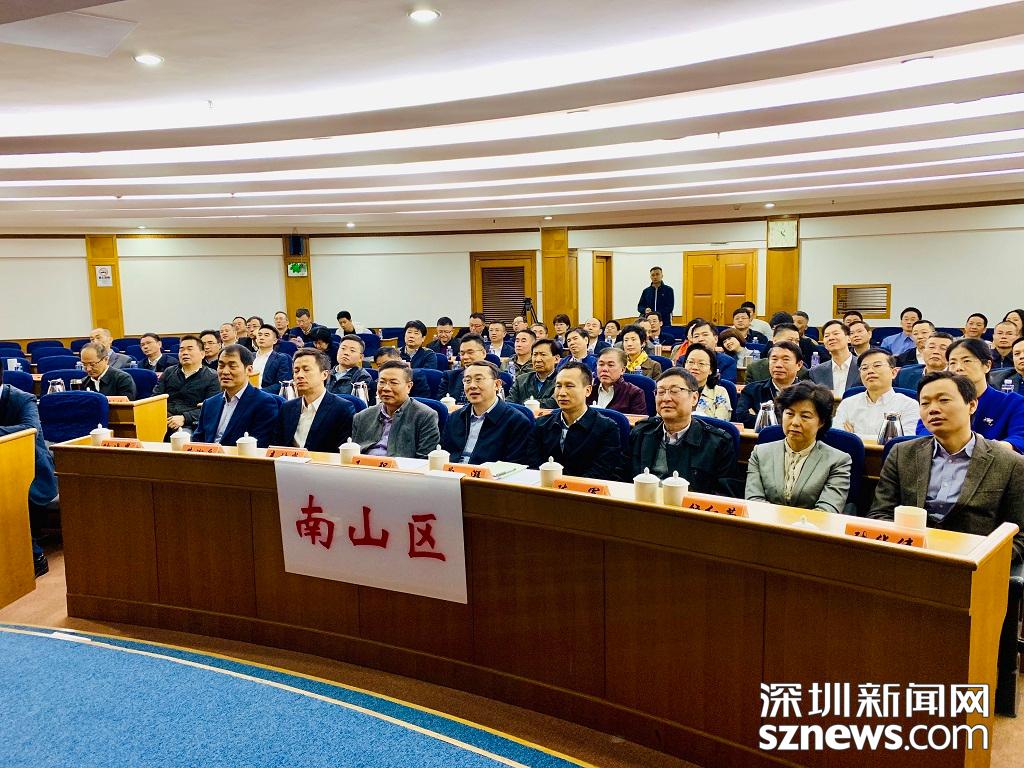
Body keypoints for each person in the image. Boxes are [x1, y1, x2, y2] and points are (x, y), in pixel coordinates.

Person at [870, 371, 1024, 564]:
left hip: (973, 565)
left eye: (943, 400)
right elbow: (879, 514)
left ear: (972, 405)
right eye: (925, 403)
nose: (933, 409)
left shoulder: (1011, 463)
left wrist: (982, 560)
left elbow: (1019, 535)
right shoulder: (902, 453)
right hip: (907, 558)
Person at [621, 368, 736, 493]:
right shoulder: (640, 432)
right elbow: (620, 480)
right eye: (660, 392)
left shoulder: (718, 443)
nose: (666, 398)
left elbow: (725, 495)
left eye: (674, 391)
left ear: (694, 398)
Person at [745, 381, 852, 514]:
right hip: (764, 524)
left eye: (805, 416)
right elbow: (753, 500)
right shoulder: (760, 453)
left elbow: (827, 510)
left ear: (821, 422)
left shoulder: (838, 461)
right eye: (789, 414)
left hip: (812, 526)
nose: (795, 422)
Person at [916, 338, 1024, 453]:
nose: (958, 368)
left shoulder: (1013, 403)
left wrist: (984, 447)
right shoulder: (939, 402)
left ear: (987, 365)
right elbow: (924, 434)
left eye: (966, 361)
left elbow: (1019, 438)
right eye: (952, 363)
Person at [1, 382, 59, 577]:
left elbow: (30, 429)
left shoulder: (22, 399)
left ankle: (35, 556)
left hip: (33, 471)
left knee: (8, 496)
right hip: (4, 468)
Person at [530, 362, 620, 480]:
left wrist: (565, 486)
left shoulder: (607, 428)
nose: (562, 393)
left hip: (585, 489)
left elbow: (601, 471)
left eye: (569, 386)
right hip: (544, 487)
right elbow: (533, 465)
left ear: (588, 390)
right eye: (558, 386)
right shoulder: (541, 424)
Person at [442, 361, 532, 465]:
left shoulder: (516, 421)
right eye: (467, 380)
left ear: (497, 384)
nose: (472, 386)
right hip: (452, 472)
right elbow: (443, 453)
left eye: (478, 379)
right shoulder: (455, 417)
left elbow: (514, 466)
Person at [193, 344, 281, 447]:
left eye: (232, 366)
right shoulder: (209, 404)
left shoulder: (264, 403)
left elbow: (259, 445)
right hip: (206, 456)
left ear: (249, 370)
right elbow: (197, 441)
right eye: (221, 366)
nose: (225, 372)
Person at [352, 361, 440, 458]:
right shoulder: (362, 417)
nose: (386, 388)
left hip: (402, 467)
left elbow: (424, 459)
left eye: (393, 383)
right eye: (382, 382)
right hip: (363, 466)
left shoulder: (425, 416)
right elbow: (352, 453)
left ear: (409, 386)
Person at [274, 348, 354, 452]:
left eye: (306, 370)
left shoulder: (342, 409)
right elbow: (276, 446)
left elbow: (341, 452)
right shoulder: (287, 408)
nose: (299, 375)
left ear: (324, 375)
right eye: (296, 371)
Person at [833, 348, 919, 436]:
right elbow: (837, 437)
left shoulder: (909, 405)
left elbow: (905, 440)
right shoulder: (847, 404)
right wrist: (884, 438)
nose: (870, 371)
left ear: (893, 373)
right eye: (864, 368)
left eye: (877, 365)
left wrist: (853, 436)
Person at [154, 335, 221, 438]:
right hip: (164, 418)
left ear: (202, 354)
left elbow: (212, 408)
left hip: (191, 423)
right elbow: (155, 398)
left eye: (190, 349)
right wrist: (167, 417)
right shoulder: (169, 372)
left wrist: (184, 418)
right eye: (181, 350)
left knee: (183, 438)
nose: (185, 353)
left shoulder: (212, 376)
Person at [736, 340, 803, 428]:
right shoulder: (752, 390)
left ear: (799, 365)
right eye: (774, 359)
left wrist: (763, 418)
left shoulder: (808, 393)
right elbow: (741, 417)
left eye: (785, 360)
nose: (778, 365)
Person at [588, 347, 646, 414]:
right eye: (601, 364)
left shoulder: (634, 393)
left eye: (610, 365)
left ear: (622, 370)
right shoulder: (588, 390)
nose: (604, 369)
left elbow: (638, 420)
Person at [808, 320, 861, 396]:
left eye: (836, 333)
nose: (831, 338)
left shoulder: (863, 366)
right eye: (827, 336)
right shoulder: (815, 372)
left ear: (849, 338)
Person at [745, 324, 810, 383]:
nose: (794, 344)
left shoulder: (802, 371)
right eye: (790, 340)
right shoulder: (754, 368)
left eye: (797, 341)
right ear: (774, 340)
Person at [683, 344, 732, 421]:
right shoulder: (674, 389)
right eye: (691, 362)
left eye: (701, 364)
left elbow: (721, 424)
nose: (695, 367)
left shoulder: (719, 392)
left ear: (711, 370)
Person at [508, 338, 559, 408]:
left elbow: (554, 403)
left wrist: (525, 403)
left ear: (556, 359)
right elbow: (509, 403)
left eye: (543, 355)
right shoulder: (521, 380)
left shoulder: (562, 380)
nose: (537, 360)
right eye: (535, 355)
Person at [328, 334, 375, 402]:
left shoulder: (363, 377)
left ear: (361, 357)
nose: (346, 353)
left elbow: (359, 404)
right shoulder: (325, 374)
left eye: (352, 350)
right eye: (343, 348)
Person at [442, 333, 487, 403]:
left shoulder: (496, 376)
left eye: (470, 352)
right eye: (462, 353)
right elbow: (440, 405)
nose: (465, 357)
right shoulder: (450, 377)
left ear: (483, 353)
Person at [252, 324, 292, 391]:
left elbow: (282, 384)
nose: (261, 338)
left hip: (267, 395)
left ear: (275, 341)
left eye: (266, 335)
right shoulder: (249, 356)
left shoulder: (281, 358)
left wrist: (259, 393)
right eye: (259, 335)